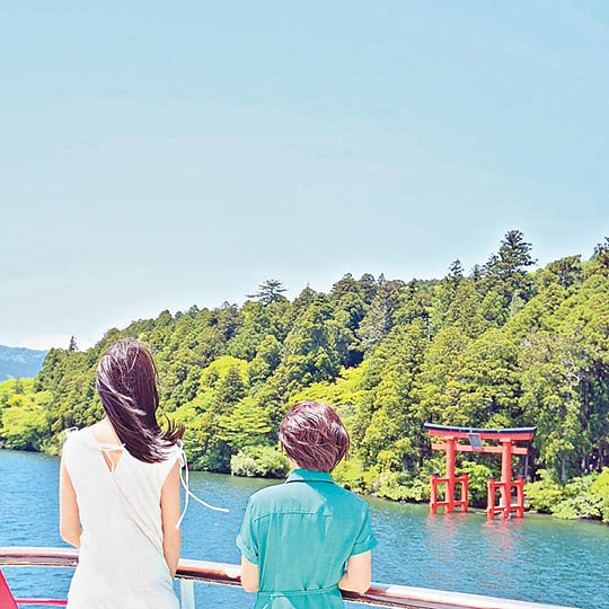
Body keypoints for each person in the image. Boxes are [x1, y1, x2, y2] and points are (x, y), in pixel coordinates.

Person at [59, 338, 184, 609]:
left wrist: (107, 555)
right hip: (152, 597)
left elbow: (68, 530)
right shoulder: (164, 454)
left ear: (103, 389)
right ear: (147, 388)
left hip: (89, 595)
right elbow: (171, 538)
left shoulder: (74, 447)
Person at [237, 401, 376, 609]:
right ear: (338, 450)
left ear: (288, 449)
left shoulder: (262, 503)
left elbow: (250, 582)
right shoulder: (356, 508)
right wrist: (325, 582)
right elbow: (359, 583)